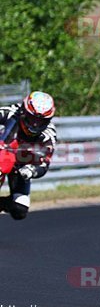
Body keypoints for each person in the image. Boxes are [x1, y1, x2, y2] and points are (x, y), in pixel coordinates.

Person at [0, 91, 57, 220]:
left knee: (20, 210)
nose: (35, 125)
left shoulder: (48, 135)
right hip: (2, 151)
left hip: (21, 165)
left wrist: (32, 170)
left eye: (40, 121)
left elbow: (44, 164)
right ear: (24, 112)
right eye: (32, 119)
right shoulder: (11, 112)